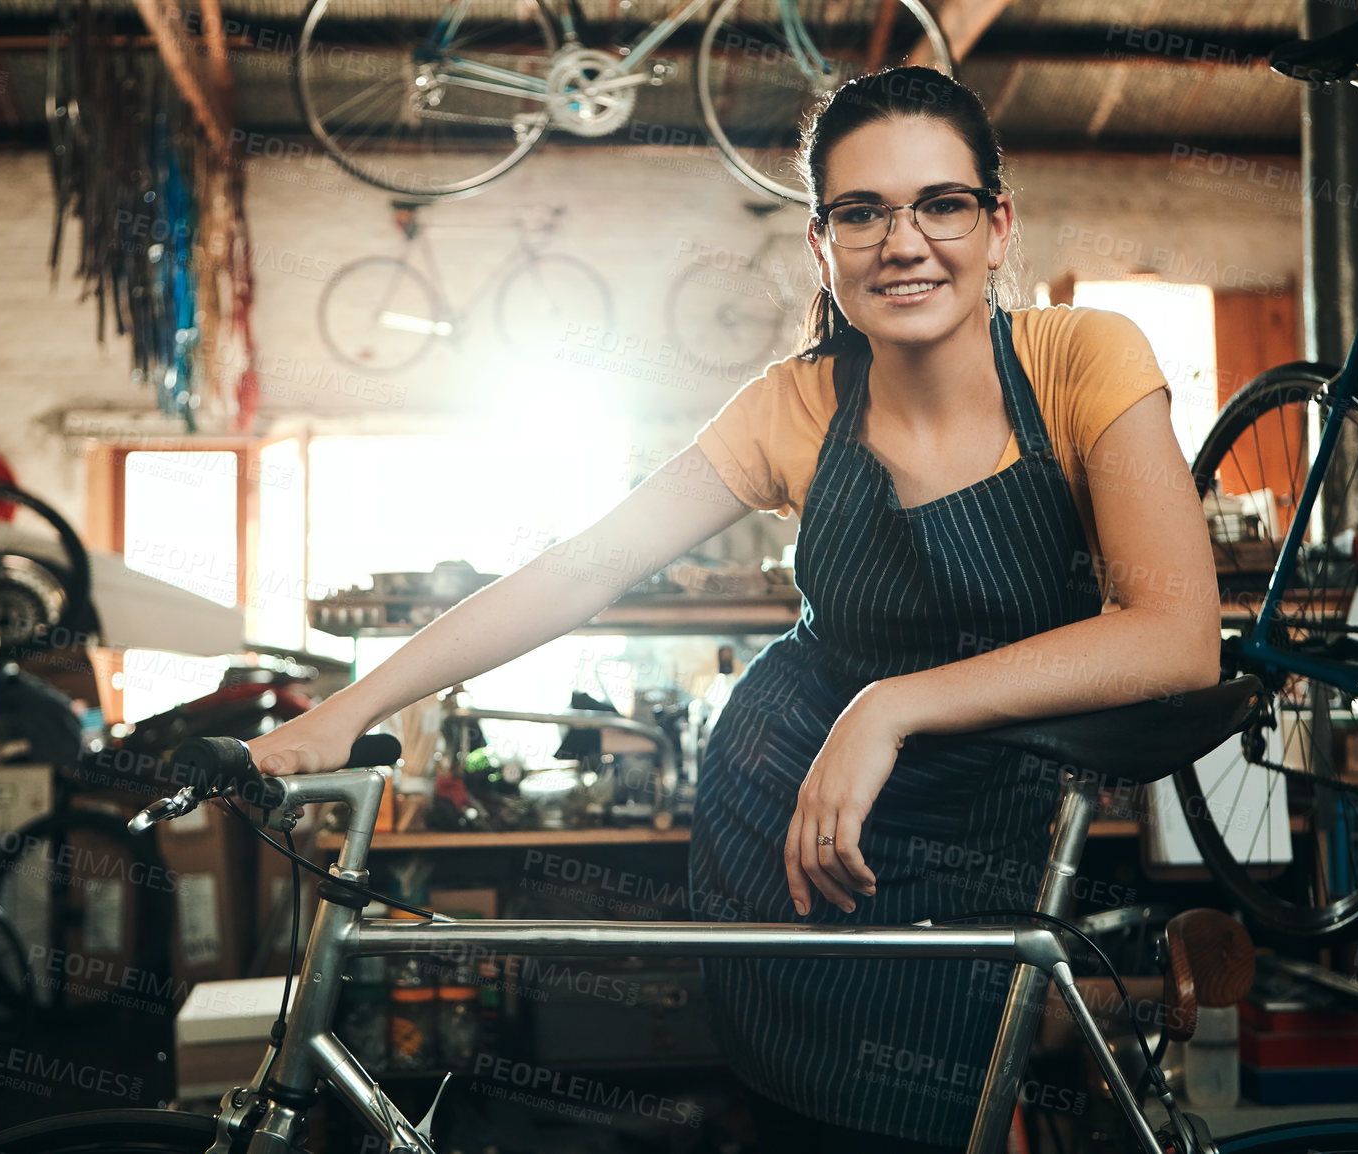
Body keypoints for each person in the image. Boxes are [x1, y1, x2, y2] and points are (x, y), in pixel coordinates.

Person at [248, 65, 1218, 1153]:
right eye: (862, 212)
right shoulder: (789, 406)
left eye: (941, 203)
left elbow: (1176, 634)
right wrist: (348, 705)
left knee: (951, 1110)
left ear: (998, 226)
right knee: (809, 1121)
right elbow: (582, 568)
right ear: (821, 244)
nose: (904, 242)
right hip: (787, 812)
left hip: (977, 812)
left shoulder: (1082, 358)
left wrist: (887, 708)